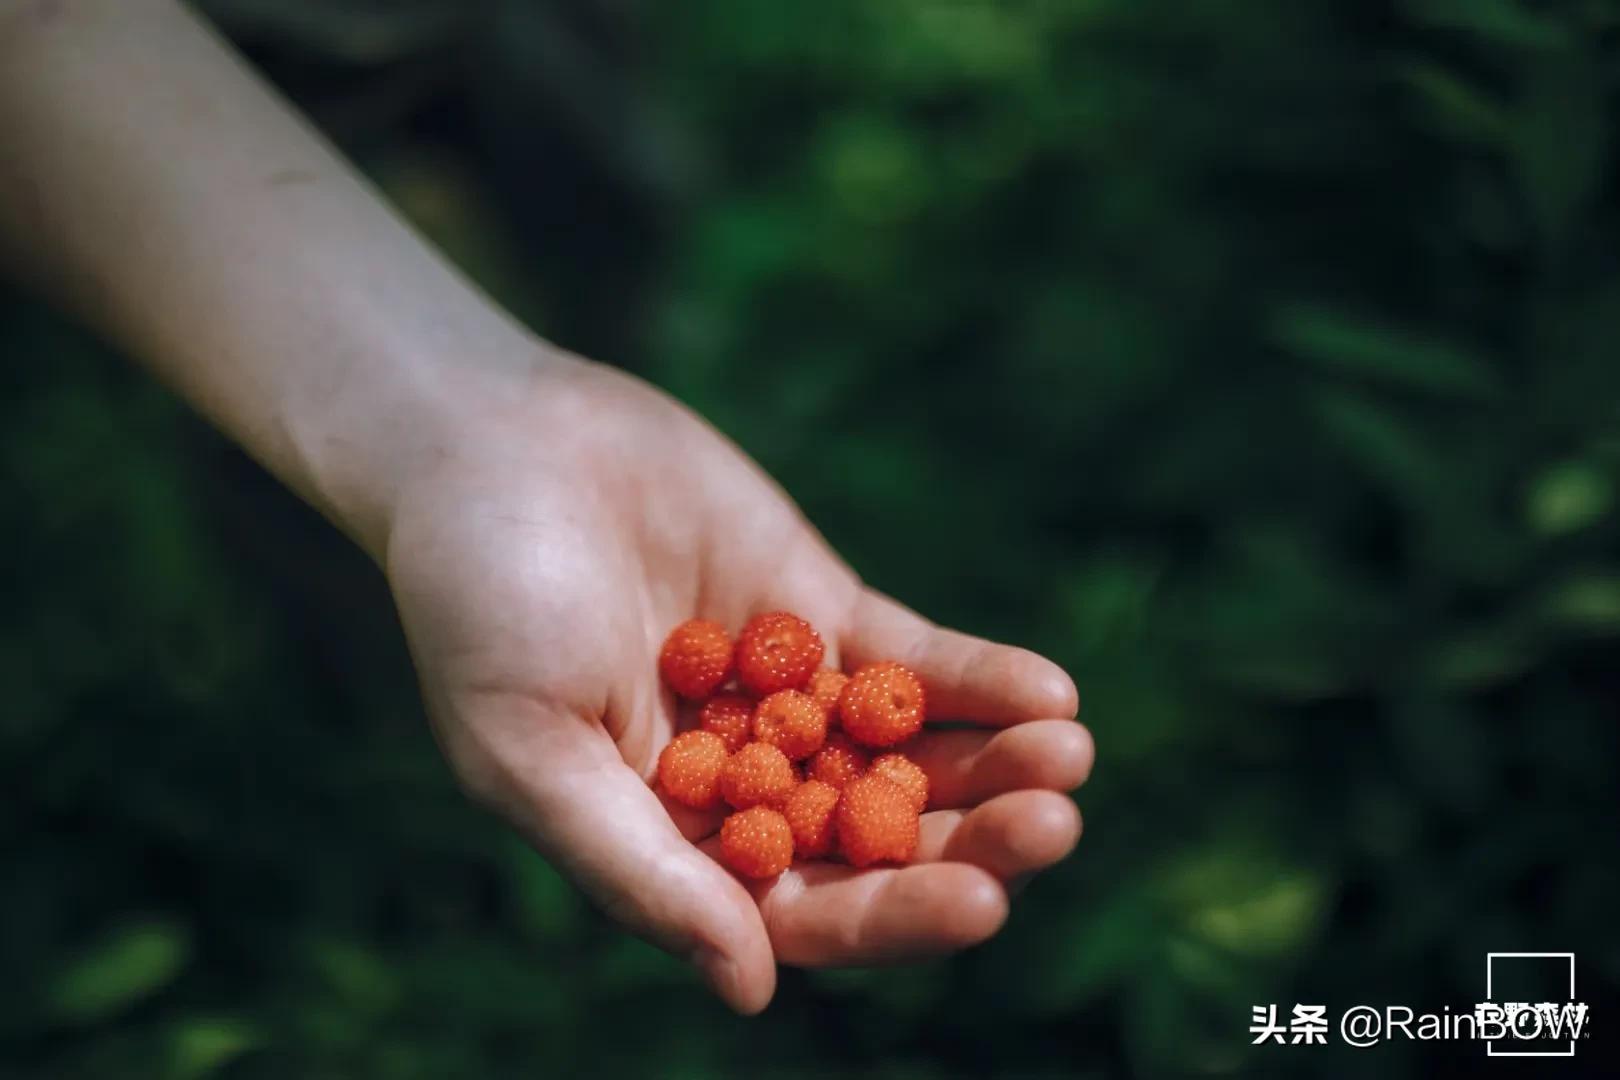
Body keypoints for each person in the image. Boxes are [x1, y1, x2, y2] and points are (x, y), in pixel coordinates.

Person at [0, 0, 1093, 1013]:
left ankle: (581, 269)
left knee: (579, 153)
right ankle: (358, 689)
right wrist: (438, 440)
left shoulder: (791, 739)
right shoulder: (770, 739)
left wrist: (460, 416)